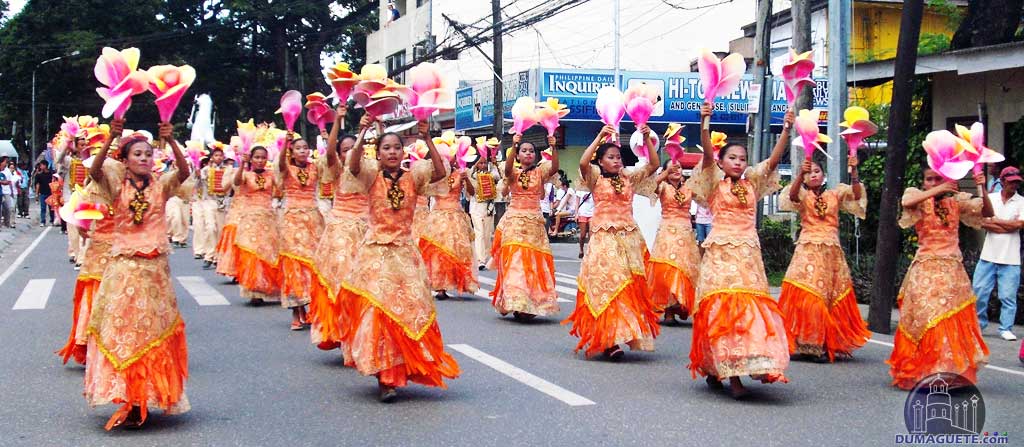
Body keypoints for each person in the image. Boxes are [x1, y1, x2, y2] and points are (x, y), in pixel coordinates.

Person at [338, 120, 460, 402]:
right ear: (378, 153)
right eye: (386, 148)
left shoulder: (413, 177)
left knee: (409, 311)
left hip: (405, 253)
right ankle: (384, 376)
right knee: (378, 313)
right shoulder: (370, 175)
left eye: (396, 147)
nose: (392, 152)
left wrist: (428, 138)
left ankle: (400, 368)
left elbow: (441, 173)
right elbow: (353, 166)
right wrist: (361, 134)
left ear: (403, 152)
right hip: (376, 254)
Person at [84, 117, 191, 430]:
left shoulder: (161, 185)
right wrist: (111, 139)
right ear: (125, 160)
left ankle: (147, 396)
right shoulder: (116, 183)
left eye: (148, 153)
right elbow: (93, 172)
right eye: (138, 154)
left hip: (156, 270)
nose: (145, 158)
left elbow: (185, 173)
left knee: (152, 332)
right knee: (125, 333)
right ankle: (130, 399)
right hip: (124, 268)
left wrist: (170, 141)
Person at [685, 105, 794, 398]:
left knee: (750, 312)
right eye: (732, 157)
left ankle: (743, 364)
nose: (738, 162)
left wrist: (786, 129)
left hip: (748, 257)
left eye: (742, 158)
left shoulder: (752, 183)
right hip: (721, 257)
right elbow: (708, 155)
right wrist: (705, 121)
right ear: (721, 162)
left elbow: (771, 163)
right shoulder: (712, 183)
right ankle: (726, 373)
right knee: (723, 313)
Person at [889, 166, 993, 390]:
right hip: (925, 269)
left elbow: (986, 212)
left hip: (952, 272)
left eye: (938, 179)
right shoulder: (916, 197)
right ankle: (924, 371)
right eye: (929, 179)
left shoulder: (956, 202)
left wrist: (981, 186)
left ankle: (948, 373)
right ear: (923, 182)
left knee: (948, 322)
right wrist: (938, 189)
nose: (934, 182)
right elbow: (907, 203)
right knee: (928, 319)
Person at [564, 125, 660, 360]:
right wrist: (599, 137)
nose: (617, 161)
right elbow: (584, 163)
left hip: (629, 239)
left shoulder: (628, 178)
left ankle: (620, 333)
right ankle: (607, 339)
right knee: (609, 285)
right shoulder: (595, 179)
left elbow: (654, 166)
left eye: (618, 157)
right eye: (611, 157)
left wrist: (647, 138)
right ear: (602, 161)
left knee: (627, 287)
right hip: (603, 239)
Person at [778, 156, 870, 363]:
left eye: (817, 171)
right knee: (808, 295)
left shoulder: (834, 194)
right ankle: (806, 343)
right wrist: (800, 174)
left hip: (830, 253)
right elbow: (792, 196)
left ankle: (823, 342)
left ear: (823, 175)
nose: (814, 175)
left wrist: (854, 171)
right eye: (810, 173)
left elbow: (856, 195)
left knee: (827, 297)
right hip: (808, 250)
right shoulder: (803, 195)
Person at [309, 106, 367, 350]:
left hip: (367, 230)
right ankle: (340, 330)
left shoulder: (370, 170)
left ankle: (361, 332)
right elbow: (330, 152)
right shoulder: (335, 169)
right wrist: (338, 120)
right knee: (342, 281)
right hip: (340, 232)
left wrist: (368, 128)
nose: (350, 153)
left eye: (354, 149)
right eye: (346, 150)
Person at [489, 134, 560, 320]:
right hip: (514, 221)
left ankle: (530, 302)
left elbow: (554, 168)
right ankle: (515, 300)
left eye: (531, 151)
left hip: (534, 223)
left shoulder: (540, 171)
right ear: (518, 155)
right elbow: (507, 170)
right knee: (515, 261)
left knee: (534, 263)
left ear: (535, 156)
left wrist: (553, 147)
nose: (528, 154)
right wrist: (513, 144)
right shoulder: (512, 171)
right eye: (524, 151)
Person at [276, 133, 327, 330]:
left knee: (314, 265)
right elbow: (280, 165)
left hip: (313, 220)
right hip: (292, 222)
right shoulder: (286, 168)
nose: (303, 151)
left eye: (305, 148)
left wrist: (323, 137)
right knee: (294, 266)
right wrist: (284, 146)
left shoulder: (315, 167)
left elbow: (330, 161)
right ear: (291, 151)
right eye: (298, 148)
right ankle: (296, 311)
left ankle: (313, 307)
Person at [420, 146, 479, 300]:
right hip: (438, 217)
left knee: (458, 250)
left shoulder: (461, 173)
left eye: (450, 156)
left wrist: (466, 179)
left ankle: (458, 281)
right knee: (439, 251)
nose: (447, 159)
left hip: (456, 216)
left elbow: (472, 193)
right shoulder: (436, 175)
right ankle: (440, 286)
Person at [973, 166, 1024, 341]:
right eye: (1011, 182)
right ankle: (979, 323)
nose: (1014, 185)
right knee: (979, 292)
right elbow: (982, 221)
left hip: (1011, 258)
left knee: (1008, 296)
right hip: (988, 254)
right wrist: (1006, 225)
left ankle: (1006, 327)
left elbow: (1019, 225)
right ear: (1002, 181)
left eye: (1017, 182)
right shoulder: (992, 199)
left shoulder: (1022, 201)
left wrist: (995, 221)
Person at [647, 160, 700, 324]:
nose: (677, 170)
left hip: (686, 235)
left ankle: (681, 306)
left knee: (685, 271)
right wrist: (665, 173)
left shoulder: (689, 187)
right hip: (667, 235)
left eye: (679, 167)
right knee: (668, 272)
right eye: (672, 167)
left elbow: (708, 192)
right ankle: (669, 311)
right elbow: (648, 187)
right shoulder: (663, 187)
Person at [229, 146, 282, 305]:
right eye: (257, 157)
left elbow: (280, 189)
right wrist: (242, 165)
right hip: (249, 219)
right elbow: (236, 183)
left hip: (267, 218)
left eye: (263, 158)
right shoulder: (245, 174)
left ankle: (267, 288)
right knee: (252, 254)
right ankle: (253, 290)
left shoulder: (271, 175)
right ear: (251, 159)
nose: (260, 161)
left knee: (267, 253)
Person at [466, 156, 500, 270]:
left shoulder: (491, 174)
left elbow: (498, 177)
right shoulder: (473, 175)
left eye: (485, 163)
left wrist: (494, 163)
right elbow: (469, 174)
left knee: (487, 233)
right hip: (476, 207)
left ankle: (485, 257)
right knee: (479, 233)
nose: (483, 165)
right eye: (481, 163)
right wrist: (477, 161)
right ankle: (480, 260)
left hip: (489, 207)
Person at [575, 187, 594, 258]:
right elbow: (577, 203)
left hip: (592, 213)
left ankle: (589, 251)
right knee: (582, 235)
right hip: (582, 213)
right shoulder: (580, 189)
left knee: (591, 233)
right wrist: (576, 214)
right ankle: (581, 249)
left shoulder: (593, 187)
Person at [33, 161, 54, 227]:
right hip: (42, 193)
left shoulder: (52, 174)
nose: (40, 167)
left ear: (45, 165)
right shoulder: (39, 175)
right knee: (43, 208)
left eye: (41, 165)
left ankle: (52, 220)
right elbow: (37, 185)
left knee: (51, 208)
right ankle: (43, 221)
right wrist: (36, 194)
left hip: (51, 193)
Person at [0, 158, 14, 228]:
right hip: (1, 191)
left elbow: (9, 182)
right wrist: (3, 182)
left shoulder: (7, 171)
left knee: (8, 208)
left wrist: (11, 191)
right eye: (5, 162)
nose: (6, 163)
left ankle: (7, 223)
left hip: (6, 191)